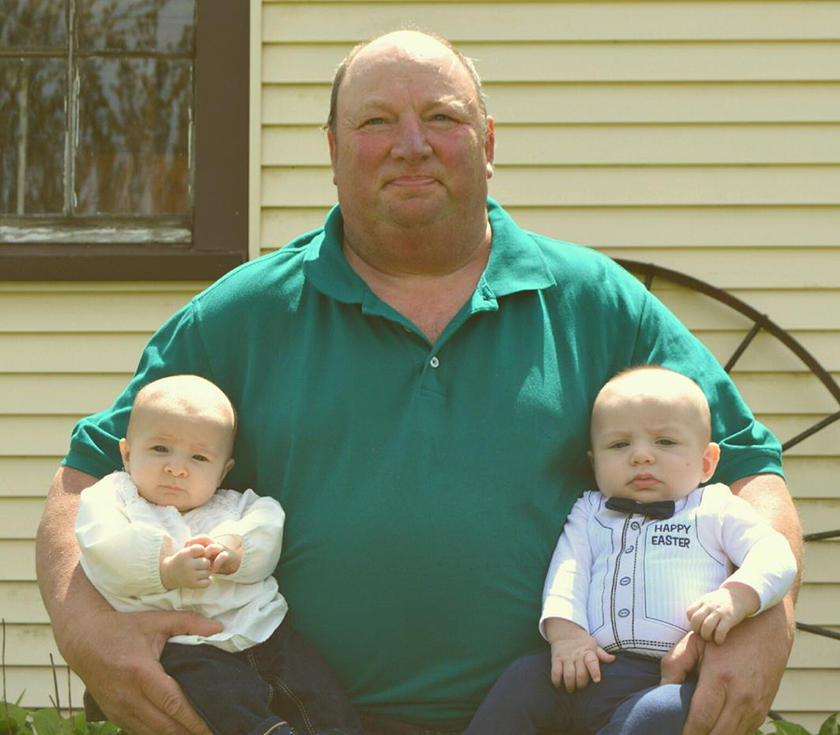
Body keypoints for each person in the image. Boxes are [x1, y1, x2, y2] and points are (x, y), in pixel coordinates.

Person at [36, 29, 801, 735]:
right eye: (375, 124)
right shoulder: (238, 316)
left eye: (442, 117)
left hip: (567, 714)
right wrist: (87, 626)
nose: (411, 146)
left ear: (488, 142)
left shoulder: (599, 304)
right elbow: (86, 478)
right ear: (333, 149)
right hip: (294, 713)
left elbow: (745, 470)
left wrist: (767, 618)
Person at [464, 367, 798, 734]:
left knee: (659, 715)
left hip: (663, 677)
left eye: (665, 442)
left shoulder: (715, 508)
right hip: (586, 664)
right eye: (619, 445)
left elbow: (775, 554)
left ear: (706, 462)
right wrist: (567, 634)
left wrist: (737, 596)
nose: (641, 456)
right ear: (594, 463)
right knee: (521, 682)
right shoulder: (590, 510)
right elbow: (568, 569)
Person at [75, 375, 361, 735]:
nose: (176, 468)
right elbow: (103, 548)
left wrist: (234, 550)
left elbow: (267, 527)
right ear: (127, 453)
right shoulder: (112, 499)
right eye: (160, 449)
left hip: (263, 632)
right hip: (183, 647)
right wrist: (164, 568)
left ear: (223, 470)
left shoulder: (235, 506)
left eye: (198, 457)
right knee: (221, 701)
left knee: (318, 691)